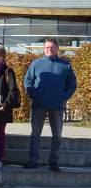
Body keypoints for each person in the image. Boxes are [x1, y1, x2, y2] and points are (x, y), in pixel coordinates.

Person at [24, 38, 77, 171]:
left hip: (57, 106)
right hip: (38, 105)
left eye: (52, 47)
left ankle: (53, 162)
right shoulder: (36, 63)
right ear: (43, 49)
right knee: (35, 134)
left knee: (57, 135)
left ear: (57, 49)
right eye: (47, 47)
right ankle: (33, 160)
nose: (50, 49)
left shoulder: (65, 65)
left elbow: (72, 84)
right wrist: (33, 94)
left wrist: (64, 97)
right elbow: (28, 81)